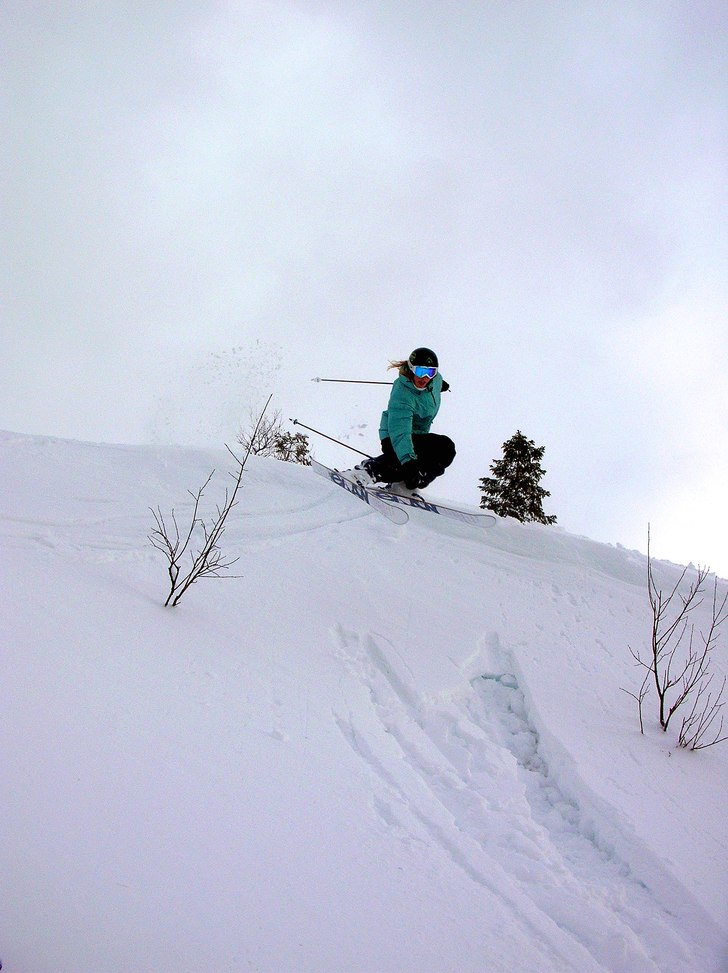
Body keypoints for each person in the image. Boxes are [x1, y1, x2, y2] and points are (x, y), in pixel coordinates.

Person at [356, 347, 455, 492]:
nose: (425, 378)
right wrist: (408, 462)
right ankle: (368, 471)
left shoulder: (434, 381)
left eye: (430, 372)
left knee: (441, 455)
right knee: (425, 454)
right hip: (395, 434)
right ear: (412, 369)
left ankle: (405, 484)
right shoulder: (402, 395)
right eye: (420, 372)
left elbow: (435, 380)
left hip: (416, 433)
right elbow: (401, 432)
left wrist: (440, 385)